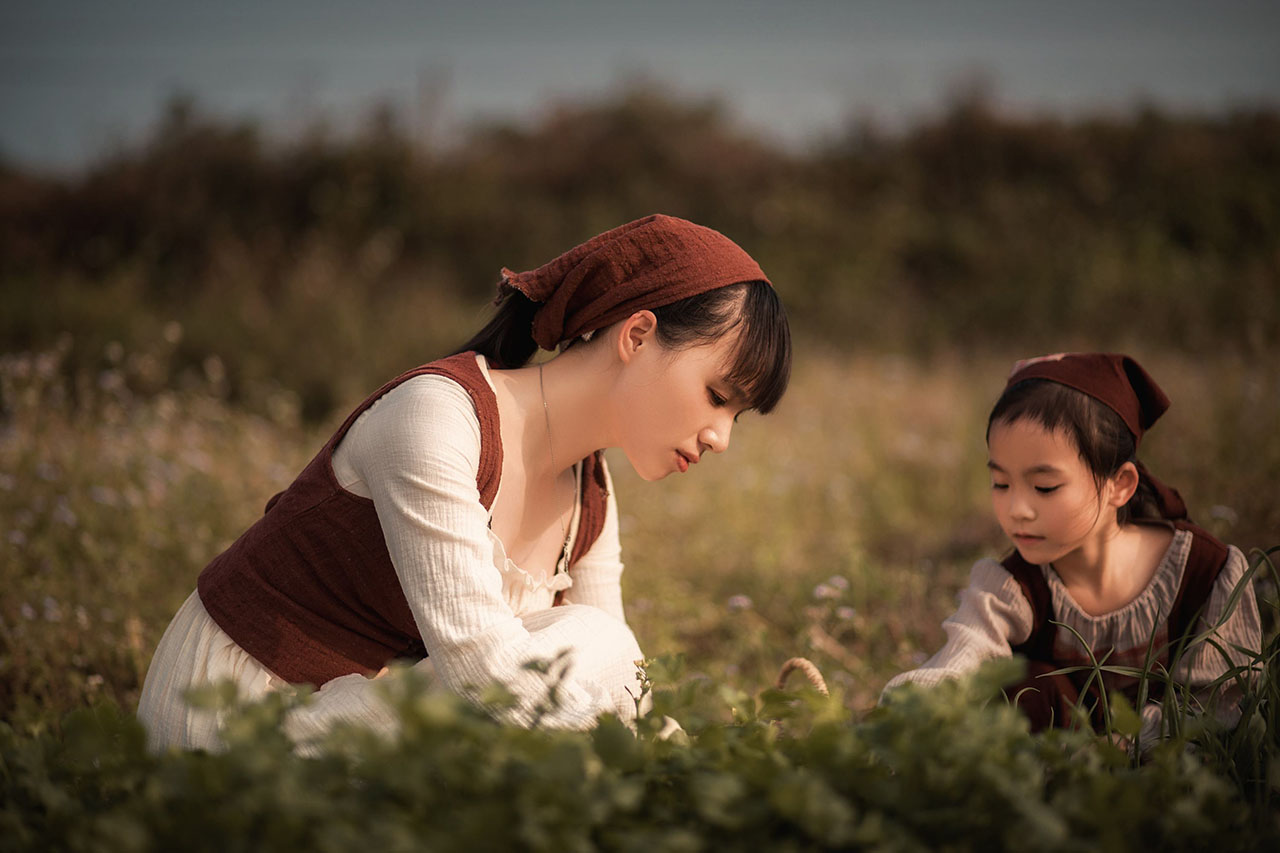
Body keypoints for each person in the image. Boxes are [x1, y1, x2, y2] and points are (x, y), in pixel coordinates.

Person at [138, 214, 791, 751]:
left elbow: (628, 694)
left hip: (369, 727)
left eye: (736, 415)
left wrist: (721, 768)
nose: (720, 436)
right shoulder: (436, 417)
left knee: (598, 653)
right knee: (595, 642)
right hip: (235, 721)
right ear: (639, 334)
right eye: (716, 395)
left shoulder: (590, 492)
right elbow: (487, 679)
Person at [881, 353, 1261, 745]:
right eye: (1001, 483)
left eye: (1044, 487)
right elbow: (962, 656)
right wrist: (904, 713)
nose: (1017, 510)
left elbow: (1218, 708)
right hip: (1046, 785)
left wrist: (1124, 747)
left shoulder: (1206, 573)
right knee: (1027, 686)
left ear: (1120, 485)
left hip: (1173, 783)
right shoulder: (1012, 586)